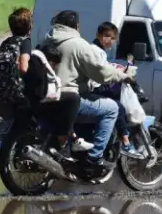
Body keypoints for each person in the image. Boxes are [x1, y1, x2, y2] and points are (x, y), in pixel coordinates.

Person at [42, 10, 134, 173]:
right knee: (112, 108)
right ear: (75, 25)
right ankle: (94, 157)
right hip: (68, 97)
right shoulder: (78, 44)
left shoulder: (48, 41)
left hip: (46, 96)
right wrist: (122, 76)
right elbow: (100, 73)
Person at [91, 22, 143, 159]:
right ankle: (126, 143)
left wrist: (117, 70)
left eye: (113, 38)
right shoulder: (96, 50)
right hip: (93, 88)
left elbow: (105, 67)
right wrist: (122, 76)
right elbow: (103, 72)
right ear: (98, 35)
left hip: (95, 86)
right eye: (106, 36)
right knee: (118, 106)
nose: (109, 40)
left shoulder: (97, 49)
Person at [0, 7, 35, 146]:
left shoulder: (6, 43)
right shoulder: (26, 42)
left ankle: (4, 134)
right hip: (17, 94)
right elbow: (23, 67)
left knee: (11, 118)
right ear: (29, 26)